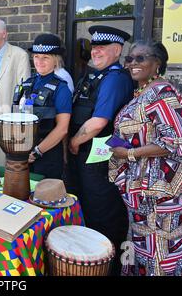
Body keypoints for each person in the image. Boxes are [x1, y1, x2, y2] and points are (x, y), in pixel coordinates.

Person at [109, 40, 182, 276]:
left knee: (162, 252)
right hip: (144, 194)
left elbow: (178, 142)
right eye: (129, 59)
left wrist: (129, 153)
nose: (132, 63)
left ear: (157, 63)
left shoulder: (162, 93)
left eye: (140, 58)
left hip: (161, 198)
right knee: (144, 249)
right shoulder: (144, 91)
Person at [68, 25, 134, 276]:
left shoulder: (115, 78)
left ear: (117, 51)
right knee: (87, 209)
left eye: (102, 48)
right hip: (85, 157)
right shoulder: (94, 75)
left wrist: (73, 142)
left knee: (102, 215)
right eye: (94, 47)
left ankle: (107, 268)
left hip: (100, 159)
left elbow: (99, 122)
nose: (96, 51)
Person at [11, 34, 72, 179]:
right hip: (22, 153)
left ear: (56, 60)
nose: (39, 61)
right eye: (36, 56)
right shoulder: (27, 82)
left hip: (46, 156)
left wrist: (37, 152)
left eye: (46, 57)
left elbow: (62, 129)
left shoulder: (61, 88)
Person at [0, 18, 31, 168]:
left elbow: (24, 93)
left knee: (5, 167)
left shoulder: (19, 55)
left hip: (7, 121)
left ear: (4, 34)